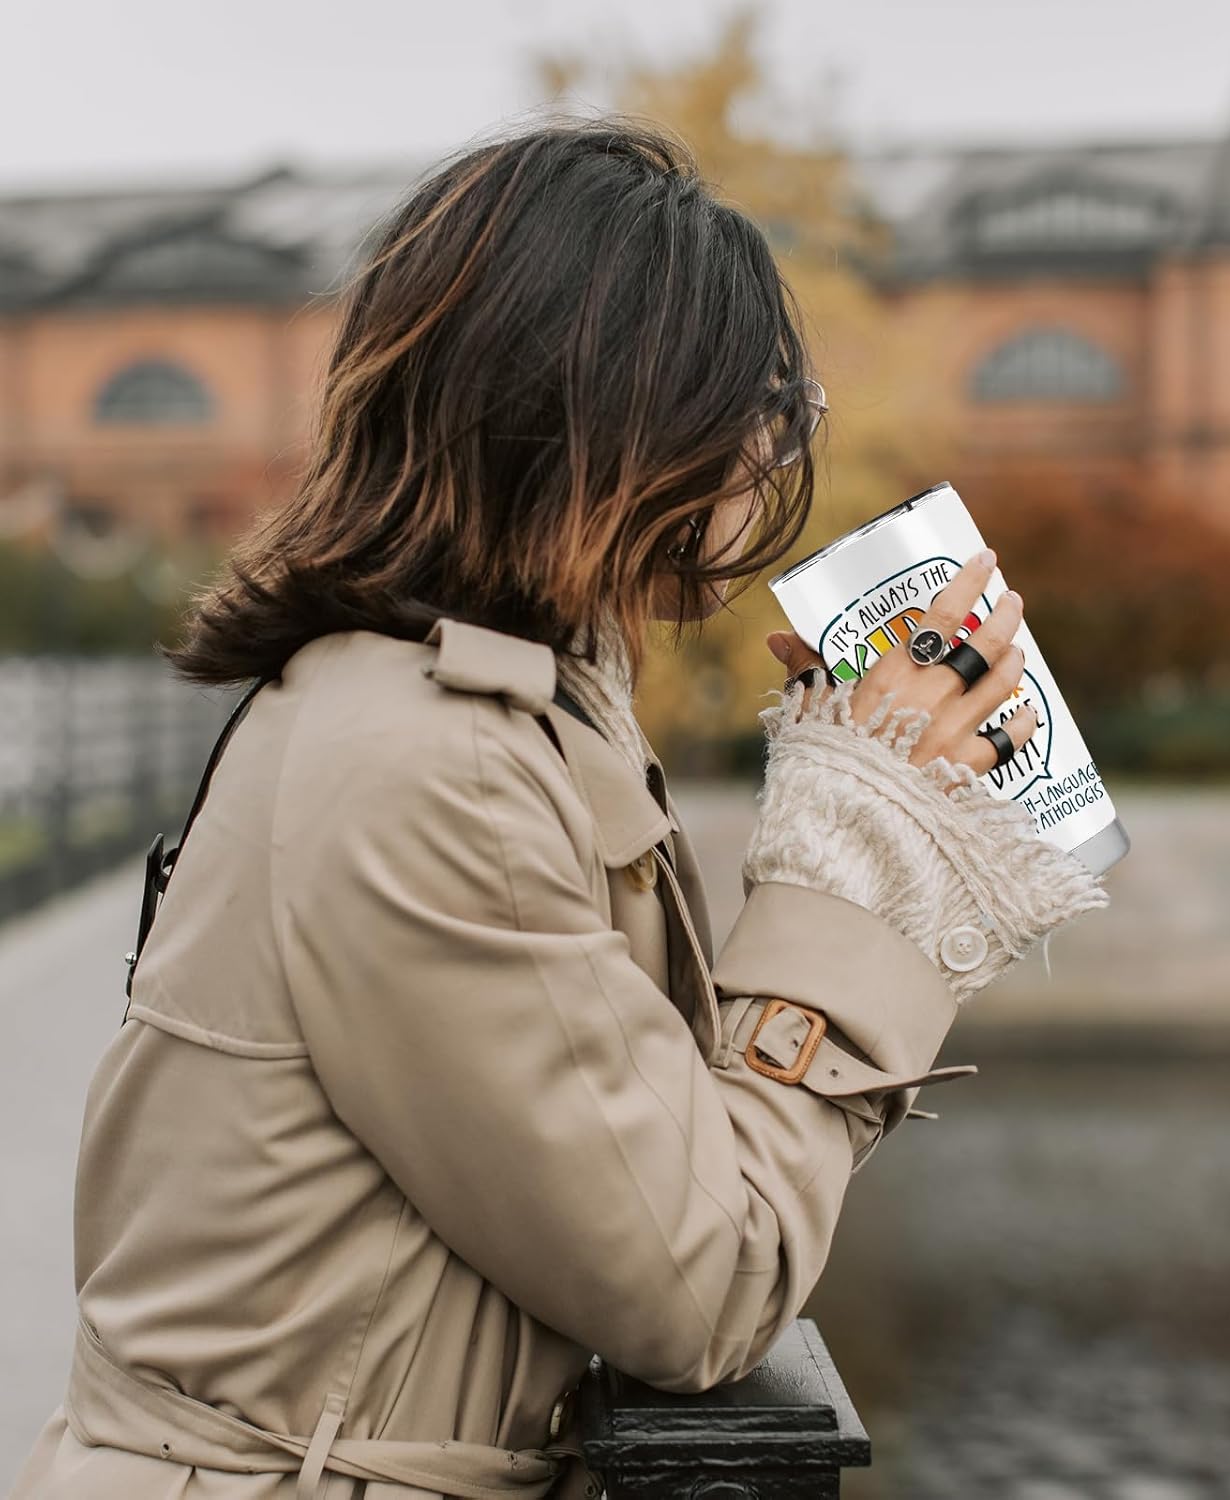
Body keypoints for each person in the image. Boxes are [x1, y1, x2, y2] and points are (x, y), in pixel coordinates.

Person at [8, 120, 1108, 1500]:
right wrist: (864, 852)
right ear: (621, 417)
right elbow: (707, 1284)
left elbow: (632, 1145)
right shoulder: (436, 761)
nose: (776, 455)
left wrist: (863, 787)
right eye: (764, 407)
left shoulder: (476, 707)